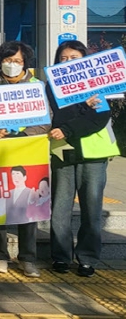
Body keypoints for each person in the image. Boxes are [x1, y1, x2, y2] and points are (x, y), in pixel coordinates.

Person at [47, 40, 120, 278]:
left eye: (74, 58)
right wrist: (84, 106)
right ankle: (61, 256)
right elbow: (59, 115)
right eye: (63, 58)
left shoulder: (98, 84)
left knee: (91, 209)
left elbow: (98, 118)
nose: (68, 62)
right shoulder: (52, 86)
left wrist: (71, 125)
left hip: (94, 155)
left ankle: (87, 259)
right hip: (63, 152)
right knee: (60, 208)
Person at [0, 40, 49, 277]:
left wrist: (25, 135)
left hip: (27, 152)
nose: (12, 64)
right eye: (8, 60)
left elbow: (46, 120)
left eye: (17, 61)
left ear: (25, 63)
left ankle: (28, 258)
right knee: (0, 204)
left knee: (29, 206)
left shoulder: (37, 86)